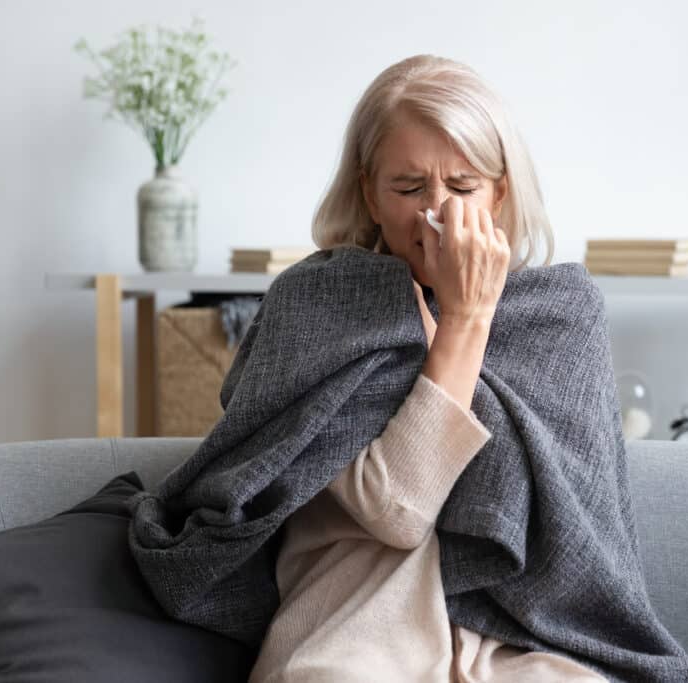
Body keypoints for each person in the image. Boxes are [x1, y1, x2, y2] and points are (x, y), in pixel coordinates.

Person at [247, 54, 608, 682]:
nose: (437, 212)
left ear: (499, 192)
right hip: (353, 634)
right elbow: (395, 510)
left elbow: (585, 541)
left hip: (517, 643)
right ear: (369, 193)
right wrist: (467, 318)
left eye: (463, 187)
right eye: (409, 189)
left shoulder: (560, 315)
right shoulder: (314, 306)